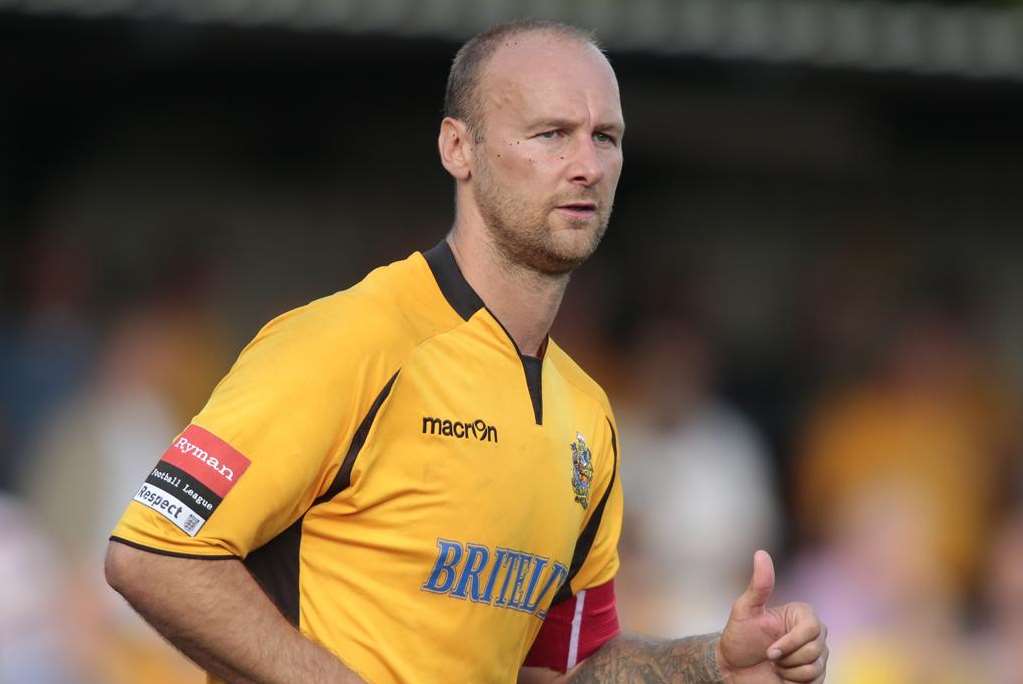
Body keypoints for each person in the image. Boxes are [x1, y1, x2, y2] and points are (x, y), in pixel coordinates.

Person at [104, 19, 828, 683]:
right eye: (549, 134)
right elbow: (155, 553)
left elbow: (565, 667)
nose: (585, 165)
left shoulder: (587, 413)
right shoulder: (347, 340)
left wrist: (710, 664)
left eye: (604, 137)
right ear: (459, 148)